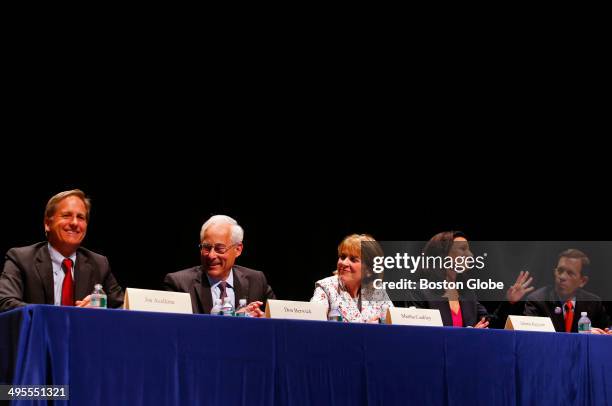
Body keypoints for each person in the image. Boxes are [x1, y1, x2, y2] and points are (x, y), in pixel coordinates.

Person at [0, 189, 124, 312]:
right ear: (48, 224)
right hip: (40, 331)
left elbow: (124, 308)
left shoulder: (99, 264)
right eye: (66, 216)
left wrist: (101, 309)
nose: (75, 223)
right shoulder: (21, 259)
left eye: (80, 217)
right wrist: (54, 315)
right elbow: (5, 302)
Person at [404, 231, 532, 328]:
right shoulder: (419, 292)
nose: (470, 255)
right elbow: (420, 336)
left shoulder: (467, 293)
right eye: (462, 249)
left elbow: (489, 324)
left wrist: (509, 302)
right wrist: (468, 335)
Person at [163, 215, 275, 316]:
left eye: (219, 249)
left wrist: (264, 320)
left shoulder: (257, 281)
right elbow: (176, 330)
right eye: (206, 247)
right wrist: (236, 320)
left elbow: (278, 323)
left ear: (238, 249)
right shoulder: (179, 284)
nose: (211, 256)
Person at [524, 248, 611, 334]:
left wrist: (605, 334)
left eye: (570, 273)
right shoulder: (537, 301)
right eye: (560, 271)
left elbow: (605, 330)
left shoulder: (593, 303)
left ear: (582, 281)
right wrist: (584, 333)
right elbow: (531, 337)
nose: (562, 277)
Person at [311, 234, 394, 323]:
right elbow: (312, 325)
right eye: (342, 257)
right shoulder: (326, 287)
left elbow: (395, 324)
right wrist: (367, 330)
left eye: (353, 260)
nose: (344, 263)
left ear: (369, 271)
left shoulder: (376, 290)